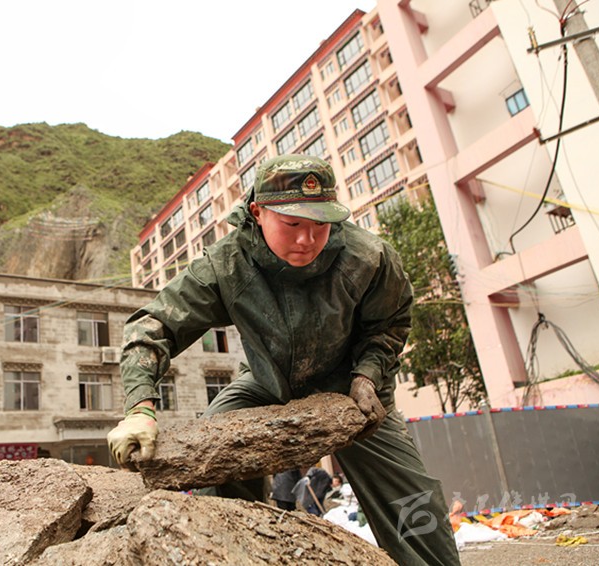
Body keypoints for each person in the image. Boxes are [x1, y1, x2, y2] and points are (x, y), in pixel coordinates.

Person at [107, 155, 460, 565]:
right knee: (217, 459)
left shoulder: (369, 258)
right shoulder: (227, 265)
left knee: (411, 502)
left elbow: (390, 324)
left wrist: (368, 374)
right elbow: (153, 326)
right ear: (258, 212)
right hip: (266, 383)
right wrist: (140, 408)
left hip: (354, 388)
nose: (307, 239)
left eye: (320, 224)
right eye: (292, 224)